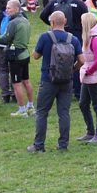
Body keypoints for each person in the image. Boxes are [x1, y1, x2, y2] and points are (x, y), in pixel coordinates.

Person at [29, 10, 85, 153]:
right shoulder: (73, 39)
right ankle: (63, 144)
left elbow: (36, 56)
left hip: (48, 80)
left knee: (42, 112)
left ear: (52, 22)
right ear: (65, 22)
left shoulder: (45, 37)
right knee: (64, 113)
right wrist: (72, 69)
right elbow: (82, 60)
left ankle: (39, 145)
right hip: (67, 80)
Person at [0, 0, 34, 117]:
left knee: (16, 83)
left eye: (9, 8)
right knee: (26, 81)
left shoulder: (13, 23)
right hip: (25, 54)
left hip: (16, 57)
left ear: (16, 8)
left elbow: (4, 39)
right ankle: (31, 106)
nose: (7, 10)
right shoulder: (25, 20)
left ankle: (22, 110)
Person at [76, 12, 97, 144]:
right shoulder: (90, 38)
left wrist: (88, 71)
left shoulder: (96, 40)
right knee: (83, 104)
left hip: (95, 77)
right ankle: (90, 131)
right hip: (88, 76)